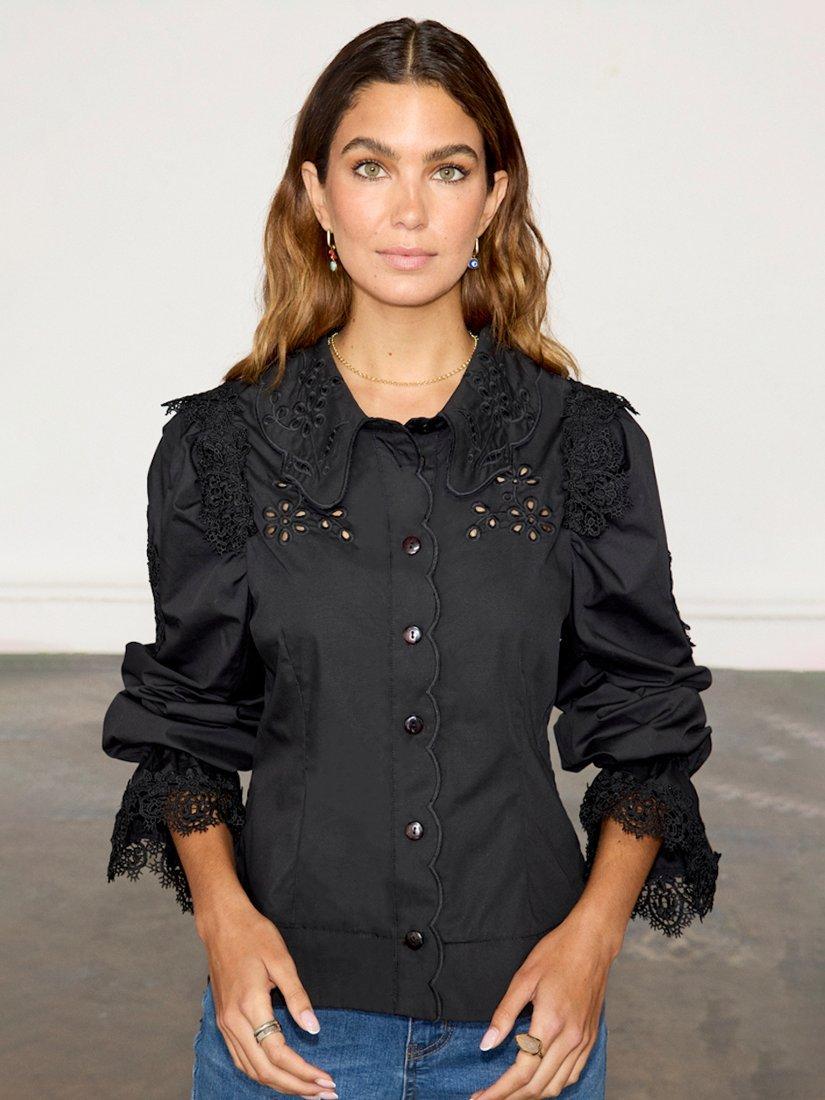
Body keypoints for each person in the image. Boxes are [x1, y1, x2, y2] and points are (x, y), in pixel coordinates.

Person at [101, 17, 720, 1100]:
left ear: (492, 197)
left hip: (524, 1025)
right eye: (369, 166)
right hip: (287, 1027)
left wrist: (591, 943)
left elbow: (644, 718)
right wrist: (224, 925)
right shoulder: (222, 447)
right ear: (315, 192)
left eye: (448, 169)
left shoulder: (584, 444)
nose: (408, 209)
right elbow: (186, 723)